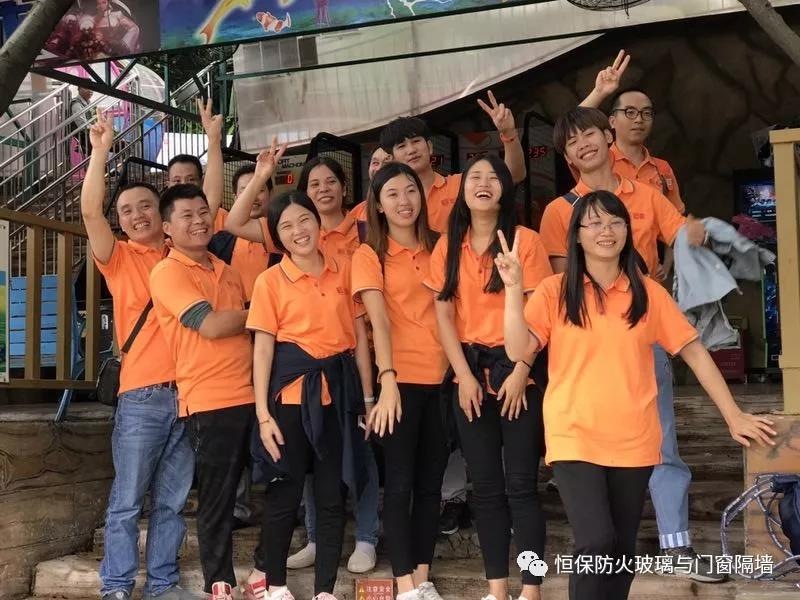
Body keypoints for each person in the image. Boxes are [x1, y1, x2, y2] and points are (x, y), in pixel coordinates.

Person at [498, 190, 777, 600]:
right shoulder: (555, 291)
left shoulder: (648, 293)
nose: (606, 231)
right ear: (577, 235)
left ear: (628, 232)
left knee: (621, 551)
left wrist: (734, 415)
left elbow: (694, 352)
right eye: (594, 222)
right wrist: (512, 289)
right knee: (596, 541)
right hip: (575, 436)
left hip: (635, 440)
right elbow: (518, 349)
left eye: (615, 222)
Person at [541, 106, 730, 581]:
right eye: (572, 143)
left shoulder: (646, 194)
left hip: (643, 331)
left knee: (661, 438)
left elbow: (682, 234)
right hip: (585, 346)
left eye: (589, 134)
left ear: (610, 136)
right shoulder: (559, 211)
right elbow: (562, 286)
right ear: (567, 157)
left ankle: (675, 543)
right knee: (600, 517)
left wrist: (692, 238)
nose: (583, 145)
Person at [244, 166, 374, 600]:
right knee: (284, 495)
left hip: (338, 398)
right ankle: (276, 586)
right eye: (287, 226)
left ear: (319, 224)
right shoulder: (270, 281)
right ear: (277, 237)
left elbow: (359, 341)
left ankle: (324, 591)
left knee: (332, 496)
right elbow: (263, 351)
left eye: (305, 220)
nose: (299, 231)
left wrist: (367, 399)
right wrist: (263, 415)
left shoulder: (344, 269)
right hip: (290, 402)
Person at [425, 154, 551, 600]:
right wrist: (462, 376)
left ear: (505, 188)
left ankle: (530, 590)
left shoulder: (526, 241)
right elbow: (443, 317)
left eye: (493, 177)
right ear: (462, 191)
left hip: (520, 372)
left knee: (522, 487)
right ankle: (497, 590)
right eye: (474, 177)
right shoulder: (448, 245)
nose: (483, 183)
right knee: (486, 489)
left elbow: (540, 315)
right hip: (471, 375)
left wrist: (521, 371)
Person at [83, 110, 195, 600]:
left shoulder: (186, 257)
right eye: (127, 210)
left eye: (146, 205)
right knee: (128, 500)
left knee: (172, 502)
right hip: (142, 396)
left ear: (162, 213)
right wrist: (100, 151)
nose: (136, 215)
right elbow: (91, 213)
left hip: (190, 395)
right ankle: (116, 587)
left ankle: (163, 584)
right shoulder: (119, 258)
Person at [149, 184, 255, 600]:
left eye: (203, 212)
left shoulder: (227, 270)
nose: (198, 221)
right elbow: (209, 325)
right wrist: (263, 311)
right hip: (211, 399)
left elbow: (239, 327)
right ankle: (219, 583)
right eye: (187, 216)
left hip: (254, 393)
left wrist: (247, 316)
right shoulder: (168, 272)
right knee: (218, 497)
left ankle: (267, 569)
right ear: (167, 228)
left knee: (284, 477)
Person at [354, 162, 449, 600]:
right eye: (392, 193)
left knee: (431, 486)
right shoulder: (370, 254)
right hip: (400, 382)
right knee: (399, 484)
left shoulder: (441, 246)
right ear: (377, 204)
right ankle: (405, 581)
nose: (404, 200)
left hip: (443, 381)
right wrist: (386, 380)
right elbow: (378, 322)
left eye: (411, 190)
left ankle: (423, 576)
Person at [284, 155, 381, 574]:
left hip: (360, 359)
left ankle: (366, 537)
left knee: (361, 453)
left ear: (345, 187)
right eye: (314, 184)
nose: (323, 189)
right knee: (315, 453)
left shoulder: (364, 228)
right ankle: (315, 537)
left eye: (330, 182)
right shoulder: (300, 238)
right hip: (311, 370)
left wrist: (369, 390)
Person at [379, 91, 526, 234]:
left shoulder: (461, 184)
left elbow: (512, 176)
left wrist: (508, 134)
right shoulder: (386, 200)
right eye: (401, 146)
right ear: (392, 158)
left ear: (430, 147)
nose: (411, 150)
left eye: (416, 141)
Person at [580, 50, 685, 214]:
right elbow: (572, 130)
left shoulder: (662, 168)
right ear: (612, 121)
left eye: (646, 113)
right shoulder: (597, 161)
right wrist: (599, 92)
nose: (639, 119)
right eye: (630, 112)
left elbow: (676, 218)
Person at [209, 163, 278, 300]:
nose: (253, 197)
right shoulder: (218, 243)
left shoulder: (282, 236)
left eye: (259, 189)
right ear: (235, 198)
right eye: (246, 192)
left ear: (271, 193)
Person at [351, 146, 392, 234]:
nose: (380, 168)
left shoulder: (407, 206)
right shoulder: (357, 212)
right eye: (375, 163)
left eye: (387, 163)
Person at [70, 87, 94, 155]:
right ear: (79, 89)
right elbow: (81, 124)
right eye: (86, 87)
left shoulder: (88, 102)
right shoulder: (76, 104)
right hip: (84, 136)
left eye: (92, 88)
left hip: (90, 134)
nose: (90, 90)